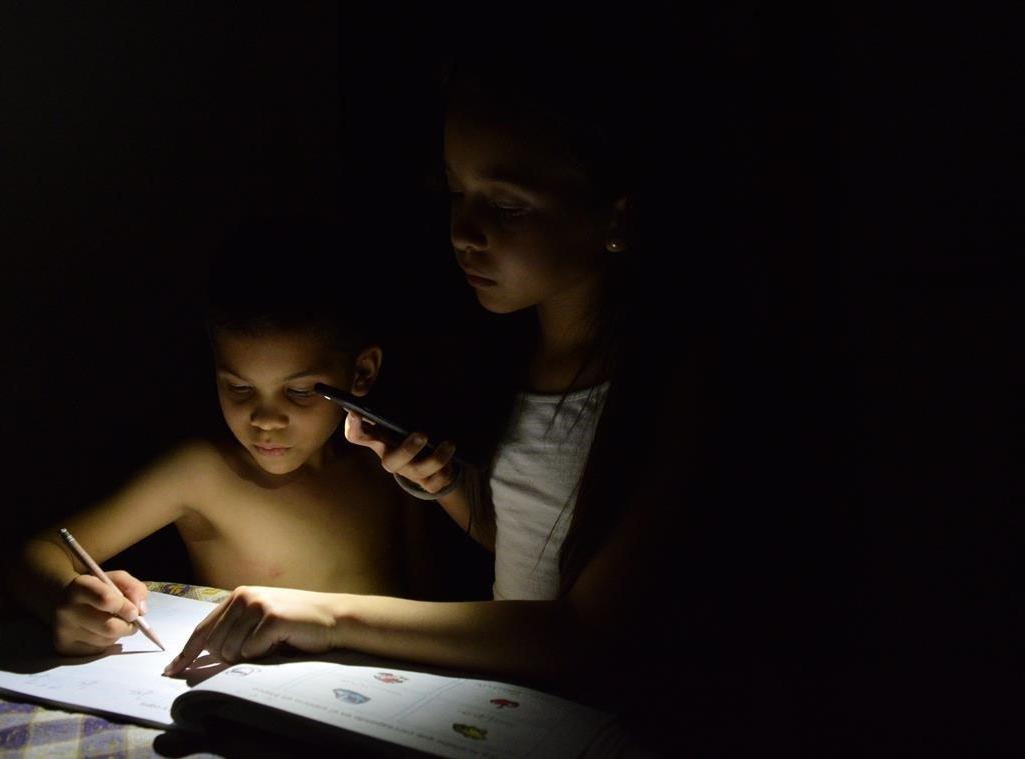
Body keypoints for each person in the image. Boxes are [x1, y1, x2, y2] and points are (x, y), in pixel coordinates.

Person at [162, 20, 729, 711]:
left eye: (507, 203)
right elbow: (532, 542)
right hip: (516, 707)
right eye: (457, 193)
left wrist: (325, 616)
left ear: (616, 216)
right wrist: (445, 487)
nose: (465, 232)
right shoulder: (511, 354)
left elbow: (584, 630)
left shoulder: (674, 383)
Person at [5, 220, 415, 656]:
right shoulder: (201, 473)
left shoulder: (390, 466)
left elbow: (435, 600)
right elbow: (35, 553)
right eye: (239, 388)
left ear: (362, 372)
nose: (266, 419)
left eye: (299, 391)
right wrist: (66, 598)